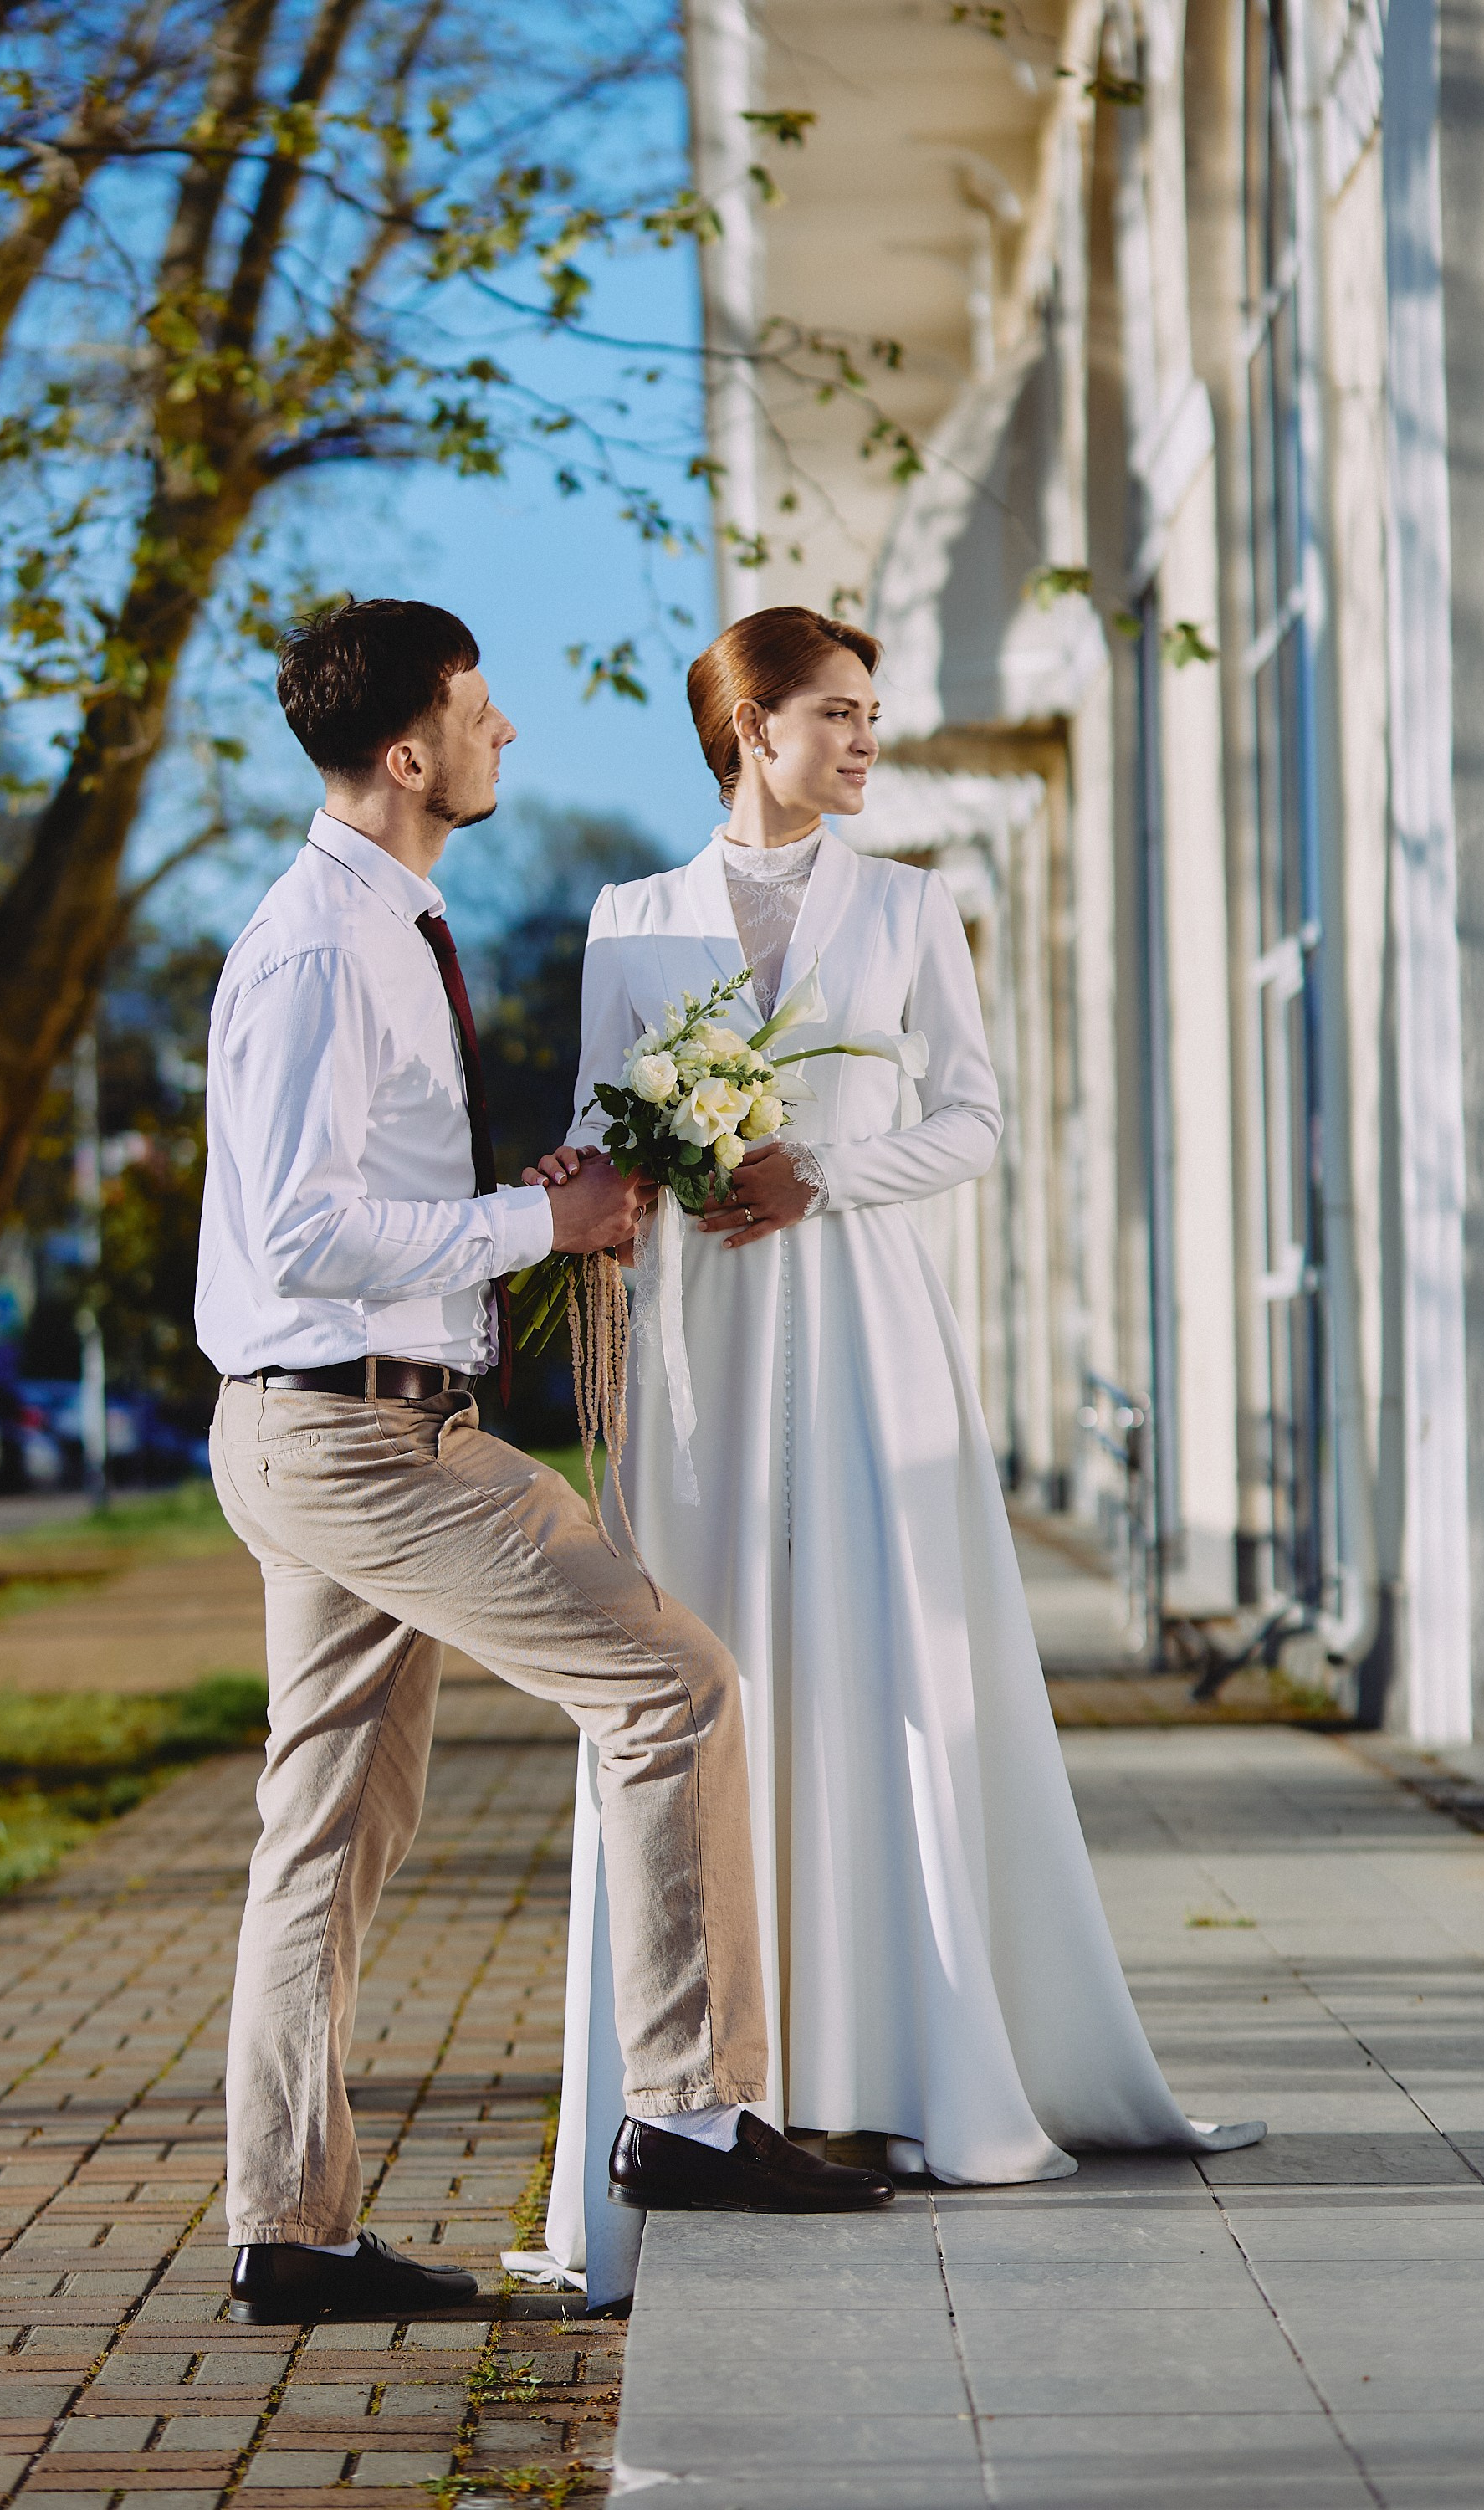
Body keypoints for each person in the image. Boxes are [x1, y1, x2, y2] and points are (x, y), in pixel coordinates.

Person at [532, 604, 1265, 2307]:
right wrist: (630, 1171)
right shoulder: (629, 915)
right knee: (700, 1672)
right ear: (748, 727)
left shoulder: (915, 903)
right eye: (837, 714)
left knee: (883, 1664)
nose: (866, 741)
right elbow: (589, 1110)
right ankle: (722, 2080)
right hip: (700, 1339)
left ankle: (907, 2062)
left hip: (863, 1322)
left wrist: (827, 1175)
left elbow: (975, 1114)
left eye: (872, 715)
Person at [195, 597, 893, 2328]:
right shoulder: (318, 947)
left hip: (348, 1420)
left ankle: (288, 2231)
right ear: (412, 752)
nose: (508, 738)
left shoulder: (378, 924)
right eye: (483, 712)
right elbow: (295, 1232)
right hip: (354, 1431)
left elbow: (368, 1190)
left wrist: (542, 1196)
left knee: (329, 1832)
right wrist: (540, 1215)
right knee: (673, 1685)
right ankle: (688, 2110)